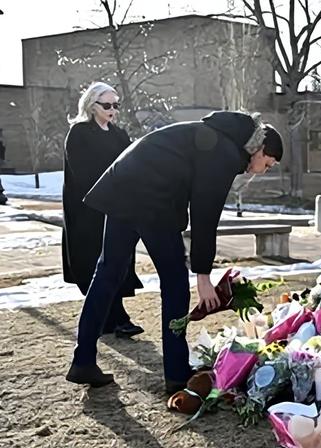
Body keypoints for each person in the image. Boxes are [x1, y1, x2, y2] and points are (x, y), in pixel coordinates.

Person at [65, 110, 283, 394]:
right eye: (267, 164)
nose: (262, 170)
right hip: (151, 198)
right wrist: (203, 276)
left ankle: (83, 360)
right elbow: (206, 213)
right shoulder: (226, 152)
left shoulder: (219, 136)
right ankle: (177, 374)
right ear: (261, 149)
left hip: (123, 187)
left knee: (107, 273)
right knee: (175, 283)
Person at [62, 82, 144, 338]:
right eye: (107, 105)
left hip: (117, 208)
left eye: (115, 105)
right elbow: (83, 173)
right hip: (88, 210)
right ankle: (116, 318)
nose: (112, 110)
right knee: (94, 262)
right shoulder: (79, 133)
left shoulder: (119, 135)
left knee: (116, 260)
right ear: (91, 105)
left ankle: (113, 318)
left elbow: (132, 165)